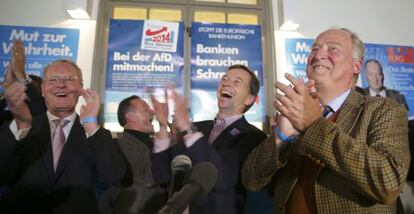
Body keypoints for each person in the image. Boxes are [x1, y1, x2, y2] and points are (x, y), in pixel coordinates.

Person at [242, 28, 410, 213]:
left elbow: (388, 182)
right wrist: (281, 138)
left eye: (333, 49)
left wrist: (314, 123)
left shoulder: (383, 109)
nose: (319, 54)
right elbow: (251, 181)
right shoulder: (294, 114)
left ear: (356, 66)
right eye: (314, 49)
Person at [0, 59, 127, 214]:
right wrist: (21, 125)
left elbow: (114, 175)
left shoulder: (94, 133)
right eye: (53, 79)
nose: (61, 84)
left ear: (80, 87)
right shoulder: (21, 126)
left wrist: (91, 125)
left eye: (69, 79)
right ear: (42, 89)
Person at [151, 64, 267, 213]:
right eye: (224, 79)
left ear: (250, 99)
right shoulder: (196, 129)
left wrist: (187, 128)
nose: (226, 83)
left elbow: (223, 177)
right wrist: (162, 128)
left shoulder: (254, 137)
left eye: (236, 81)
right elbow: (161, 175)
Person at [99, 95, 167, 214]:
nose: (152, 112)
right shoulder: (119, 145)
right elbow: (148, 177)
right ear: (130, 117)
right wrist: (163, 126)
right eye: (146, 109)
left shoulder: (154, 142)